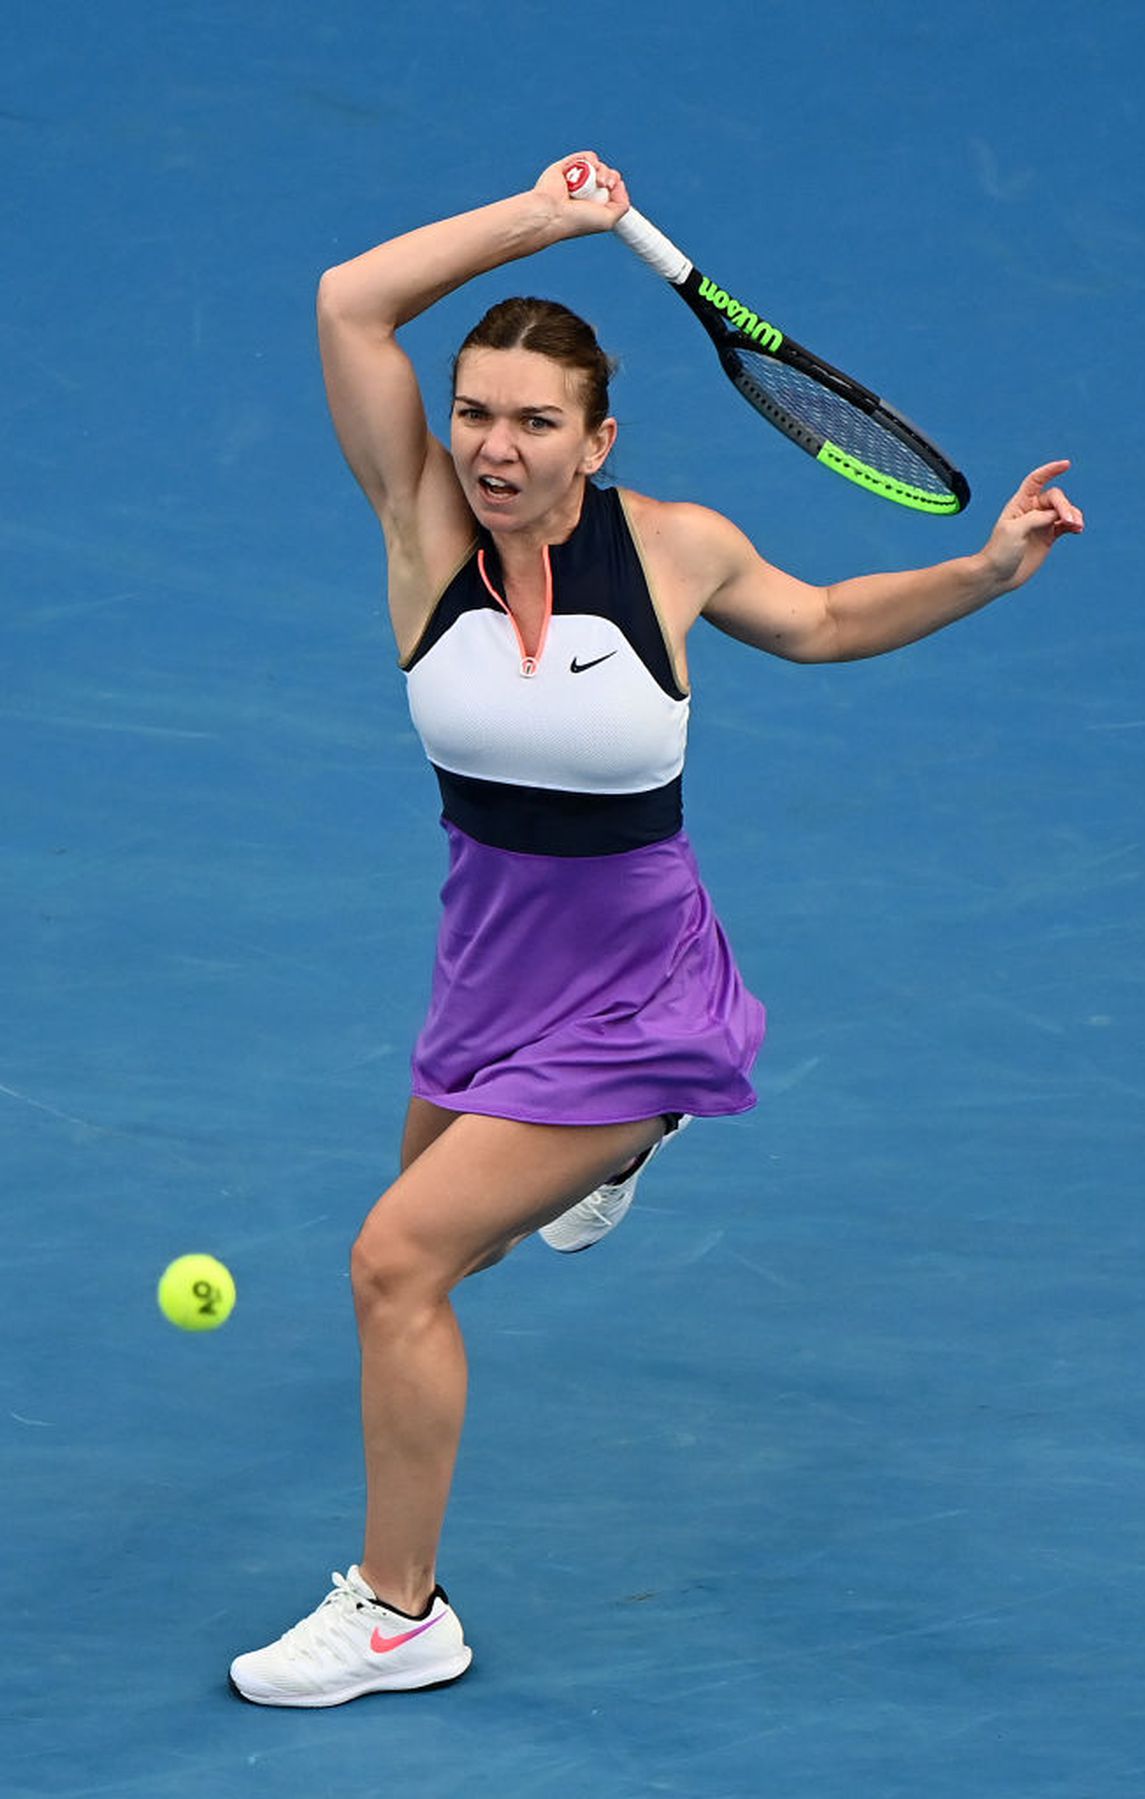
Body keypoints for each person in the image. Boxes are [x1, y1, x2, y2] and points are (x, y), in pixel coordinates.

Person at [228, 152, 1083, 1707]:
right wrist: (544, 219)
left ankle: (399, 1614)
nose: (492, 444)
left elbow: (822, 623)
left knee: (392, 1264)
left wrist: (987, 572)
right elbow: (353, 302)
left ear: (596, 440)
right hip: (486, 983)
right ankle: (613, 1158)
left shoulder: (674, 549)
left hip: (642, 999)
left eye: (533, 420)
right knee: (444, 1258)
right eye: (475, 410)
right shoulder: (421, 527)